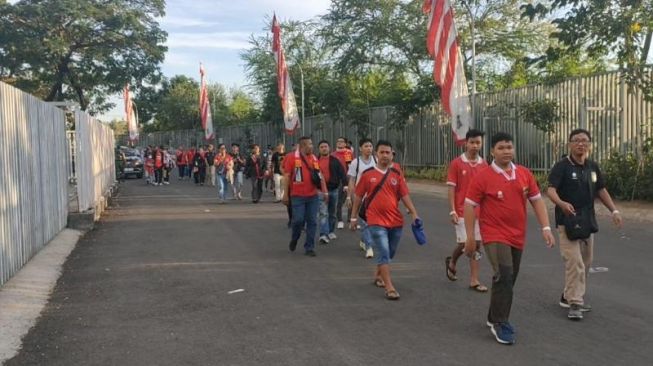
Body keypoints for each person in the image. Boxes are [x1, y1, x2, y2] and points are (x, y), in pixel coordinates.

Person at [464, 132, 555, 345]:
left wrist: (546, 227)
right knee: (504, 273)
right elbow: (469, 205)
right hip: (494, 234)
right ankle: (500, 323)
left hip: (517, 235)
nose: (506, 151)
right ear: (492, 151)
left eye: (509, 147)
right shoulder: (483, 176)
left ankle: (493, 315)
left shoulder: (523, 174)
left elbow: (537, 201)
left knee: (509, 278)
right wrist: (470, 237)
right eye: (501, 148)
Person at [546, 128, 623, 320]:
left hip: (587, 221)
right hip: (567, 221)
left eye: (584, 141)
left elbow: (601, 190)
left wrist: (614, 210)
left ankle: (567, 295)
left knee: (586, 263)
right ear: (570, 144)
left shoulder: (592, 167)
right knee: (575, 262)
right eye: (577, 140)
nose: (581, 144)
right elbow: (551, 190)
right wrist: (562, 204)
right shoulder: (562, 166)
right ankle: (575, 303)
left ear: (589, 144)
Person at [349, 140, 419, 300]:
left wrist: (414, 213)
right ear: (376, 154)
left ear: (392, 154)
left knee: (390, 252)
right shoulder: (368, 175)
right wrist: (353, 217)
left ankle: (378, 275)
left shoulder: (396, 173)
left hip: (395, 221)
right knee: (384, 251)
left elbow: (404, 194)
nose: (385, 155)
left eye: (388, 152)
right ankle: (389, 287)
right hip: (374, 221)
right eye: (382, 152)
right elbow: (358, 197)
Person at [445, 129, 488, 292]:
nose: (475, 146)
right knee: (465, 243)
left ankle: (474, 280)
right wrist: (452, 211)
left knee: (476, 245)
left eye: (478, 142)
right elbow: (451, 189)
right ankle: (453, 261)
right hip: (462, 211)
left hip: (479, 212)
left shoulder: (484, 165)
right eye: (472, 142)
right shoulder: (456, 163)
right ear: (466, 143)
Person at [282, 136, 328, 257]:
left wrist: (325, 191)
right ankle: (295, 238)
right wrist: (285, 194)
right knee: (298, 220)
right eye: (309, 144)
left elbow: (319, 176)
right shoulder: (291, 157)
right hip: (297, 196)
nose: (312, 146)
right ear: (302, 146)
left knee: (312, 221)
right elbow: (286, 177)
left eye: (312, 144)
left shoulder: (313, 158)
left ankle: (309, 247)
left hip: (312, 195)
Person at [346, 138, 377, 259]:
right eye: (366, 146)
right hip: (361, 196)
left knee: (372, 222)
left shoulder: (376, 160)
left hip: (374, 196)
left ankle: (364, 241)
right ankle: (369, 247)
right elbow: (352, 180)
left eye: (370, 146)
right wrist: (349, 196)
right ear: (360, 148)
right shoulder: (355, 163)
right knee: (365, 222)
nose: (369, 148)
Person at [317, 140, 347, 244]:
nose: (324, 148)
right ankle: (323, 234)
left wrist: (345, 185)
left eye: (326, 146)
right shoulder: (315, 161)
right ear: (319, 149)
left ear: (329, 148)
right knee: (323, 213)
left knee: (332, 213)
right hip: (320, 191)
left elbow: (342, 173)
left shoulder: (335, 160)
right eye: (322, 147)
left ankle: (330, 231)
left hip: (334, 189)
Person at [333, 137, 355, 229]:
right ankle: (340, 220)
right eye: (338, 141)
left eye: (342, 142)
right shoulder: (333, 154)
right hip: (339, 180)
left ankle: (350, 218)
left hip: (349, 179)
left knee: (351, 200)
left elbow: (353, 165)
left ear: (345, 144)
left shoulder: (349, 153)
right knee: (339, 201)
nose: (340, 143)